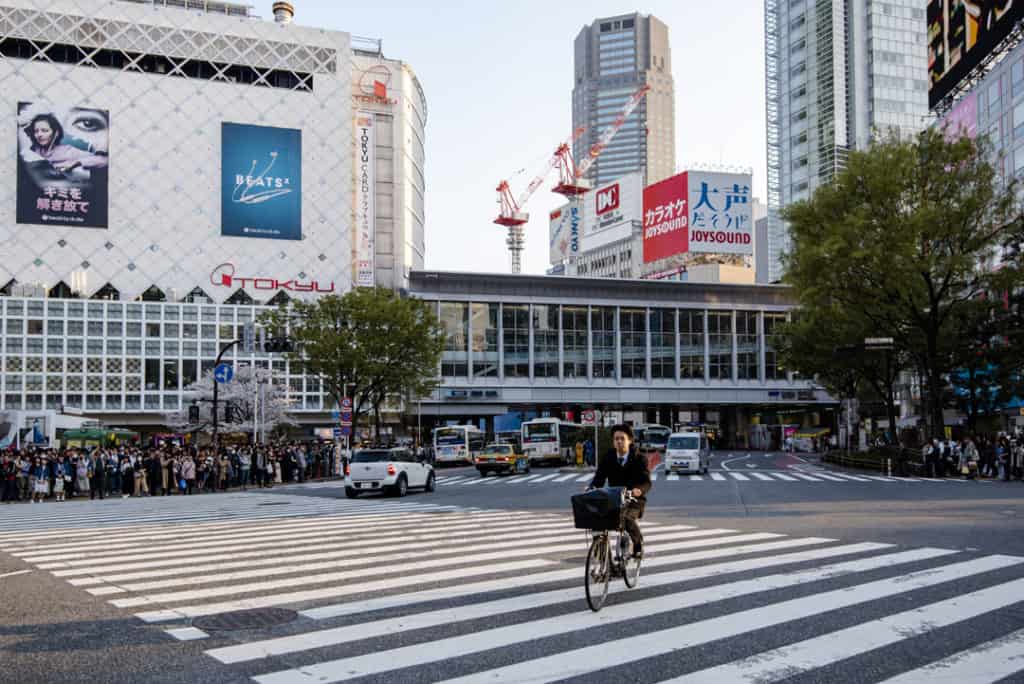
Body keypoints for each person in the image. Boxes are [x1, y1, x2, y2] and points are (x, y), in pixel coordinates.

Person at [587, 424, 652, 558]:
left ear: (630, 440)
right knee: (597, 518)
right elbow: (599, 478)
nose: (619, 441)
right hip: (614, 499)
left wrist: (638, 490)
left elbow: (646, 481)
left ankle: (638, 545)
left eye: (622, 438)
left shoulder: (639, 458)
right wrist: (592, 487)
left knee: (627, 519)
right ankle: (601, 551)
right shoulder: (608, 457)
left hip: (634, 500)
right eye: (616, 439)